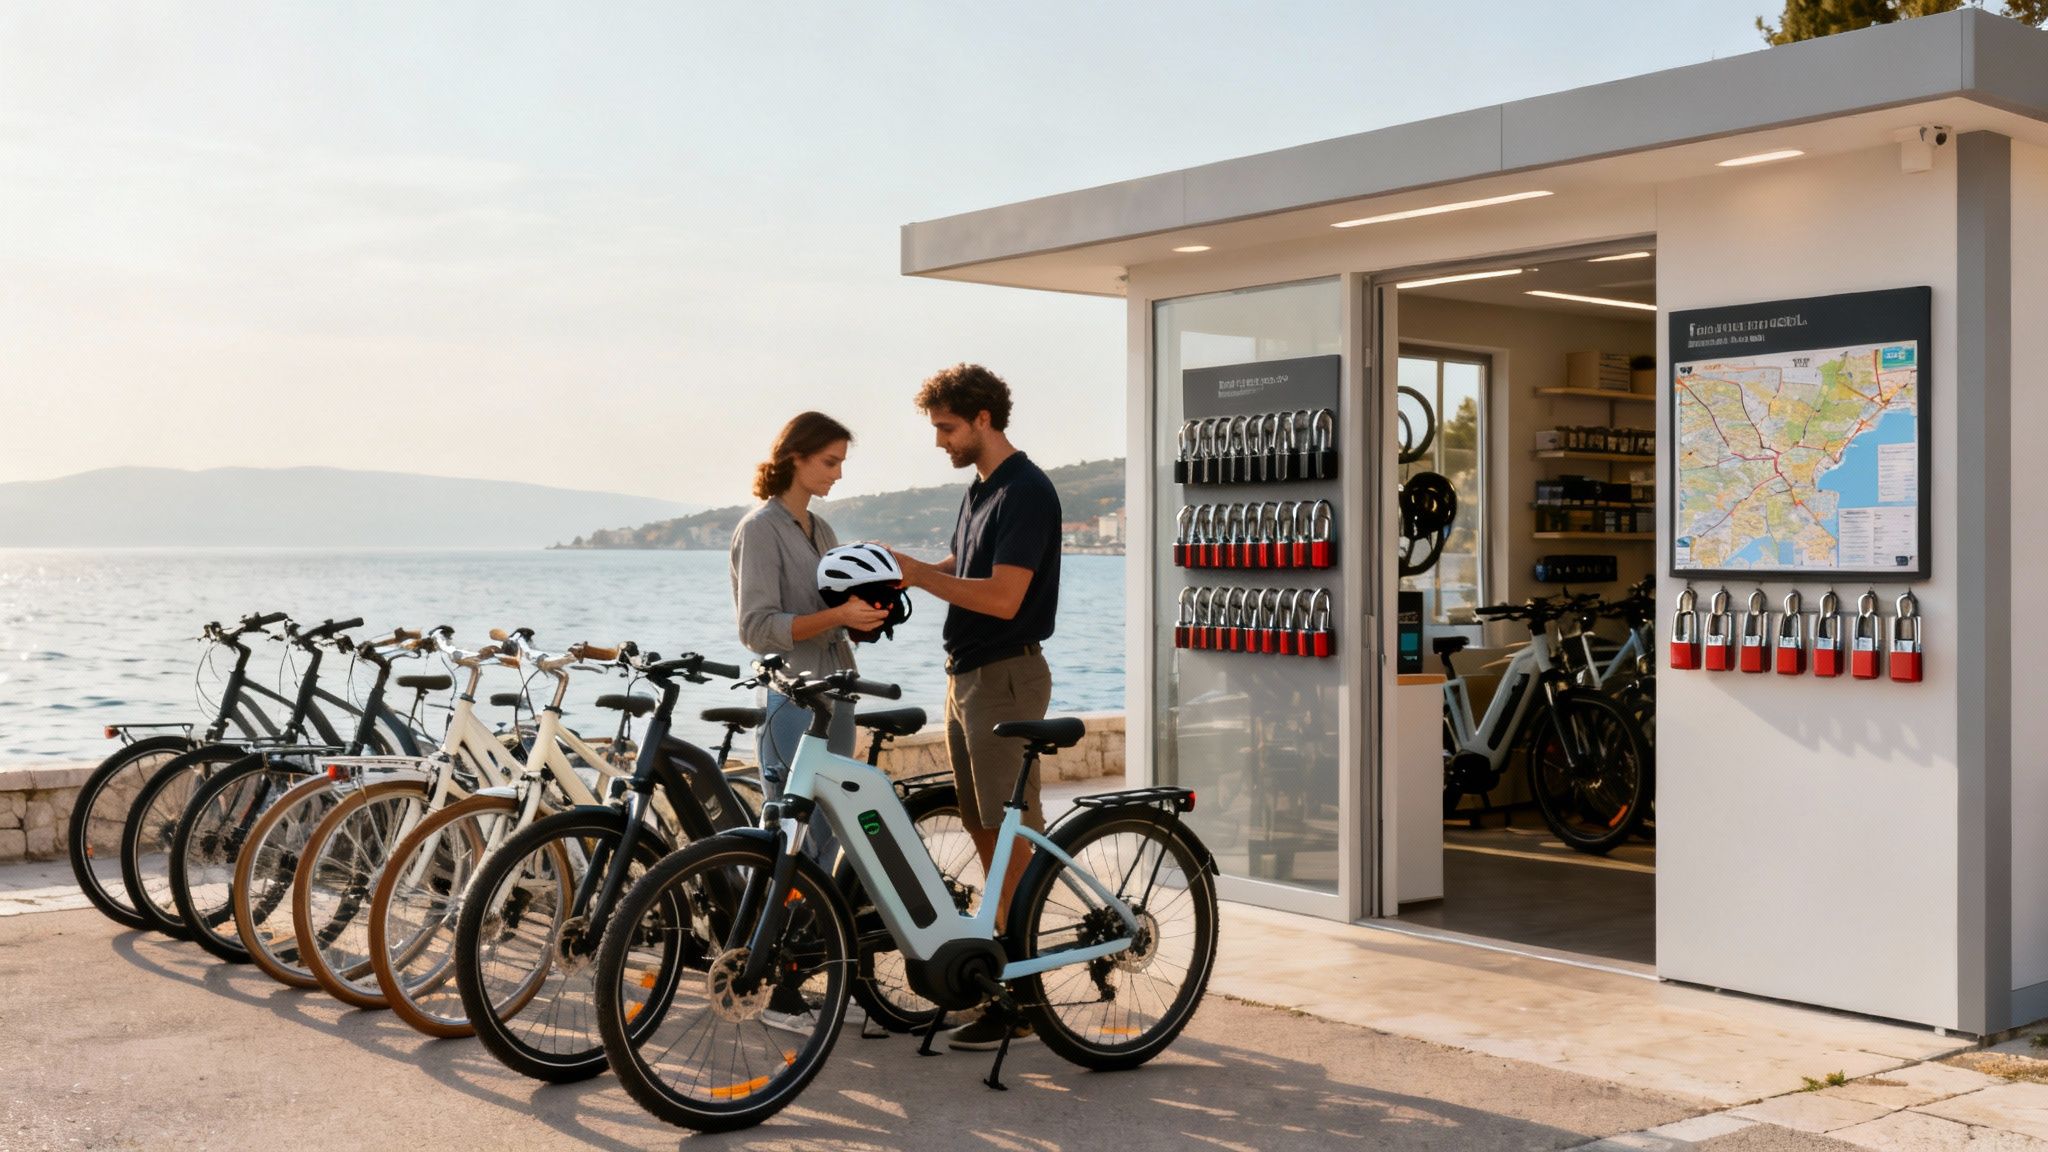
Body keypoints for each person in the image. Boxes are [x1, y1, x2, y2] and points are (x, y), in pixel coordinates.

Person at [889, 363, 1062, 1052]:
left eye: (947, 427)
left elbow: (1003, 597)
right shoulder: (980, 490)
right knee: (984, 828)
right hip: (966, 677)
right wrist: (900, 573)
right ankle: (1001, 976)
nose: (940, 441)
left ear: (983, 419)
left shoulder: (1027, 491)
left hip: (1005, 677)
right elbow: (964, 571)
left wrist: (920, 575)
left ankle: (1023, 998)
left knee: (1011, 836)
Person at [730, 413, 888, 1034]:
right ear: (794, 457)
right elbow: (756, 628)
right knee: (789, 840)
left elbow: (830, 609)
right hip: (794, 699)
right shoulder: (759, 529)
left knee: (827, 840)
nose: (839, 473)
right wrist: (838, 617)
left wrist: (864, 617)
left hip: (838, 694)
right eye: (830, 461)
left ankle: (816, 975)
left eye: (842, 461)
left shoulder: (822, 529)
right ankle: (775, 987)